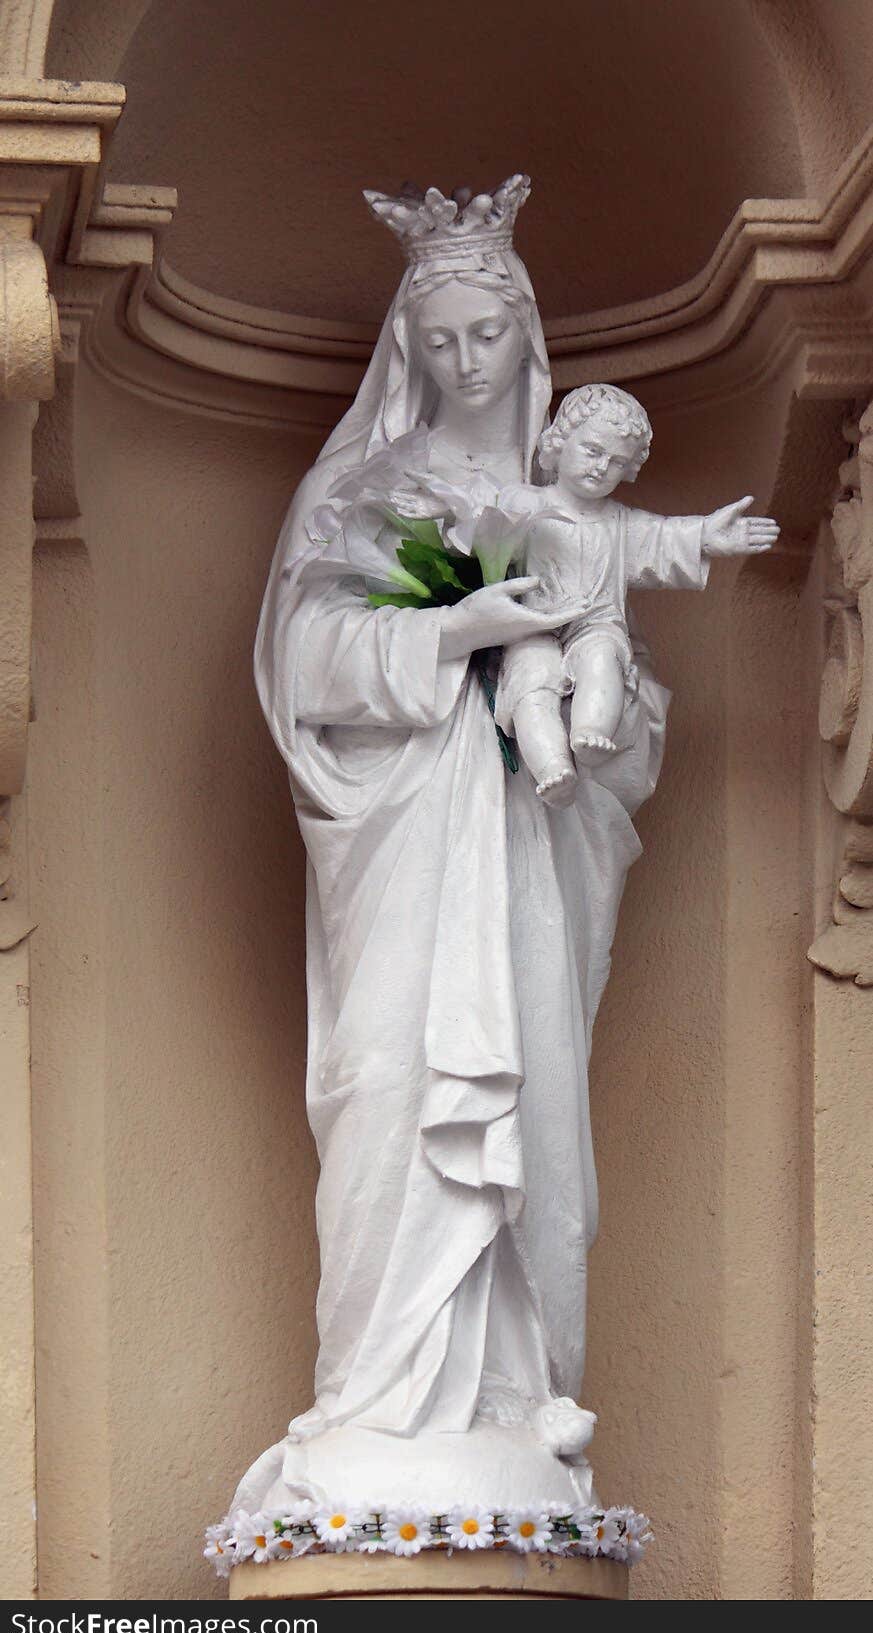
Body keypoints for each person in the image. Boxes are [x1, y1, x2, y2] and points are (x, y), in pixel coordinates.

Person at [232, 179, 677, 1528]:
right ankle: (371, 1398)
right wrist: (459, 630)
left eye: (489, 334)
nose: (467, 361)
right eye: (442, 339)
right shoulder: (355, 489)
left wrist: (602, 718)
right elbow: (302, 662)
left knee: (528, 1104)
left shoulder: (566, 499)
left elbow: (628, 709)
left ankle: (512, 1398)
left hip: (529, 860)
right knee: (392, 1090)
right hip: (401, 850)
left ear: (526, 336)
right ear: (406, 347)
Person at [496, 383, 780, 806]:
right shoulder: (522, 502)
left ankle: (591, 731)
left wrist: (706, 535)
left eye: (616, 462)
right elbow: (481, 545)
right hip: (530, 629)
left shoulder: (621, 523)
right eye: (592, 451)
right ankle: (552, 767)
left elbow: (664, 540)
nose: (601, 467)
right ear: (559, 442)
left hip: (596, 626)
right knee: (530, 683)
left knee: (603, 661)